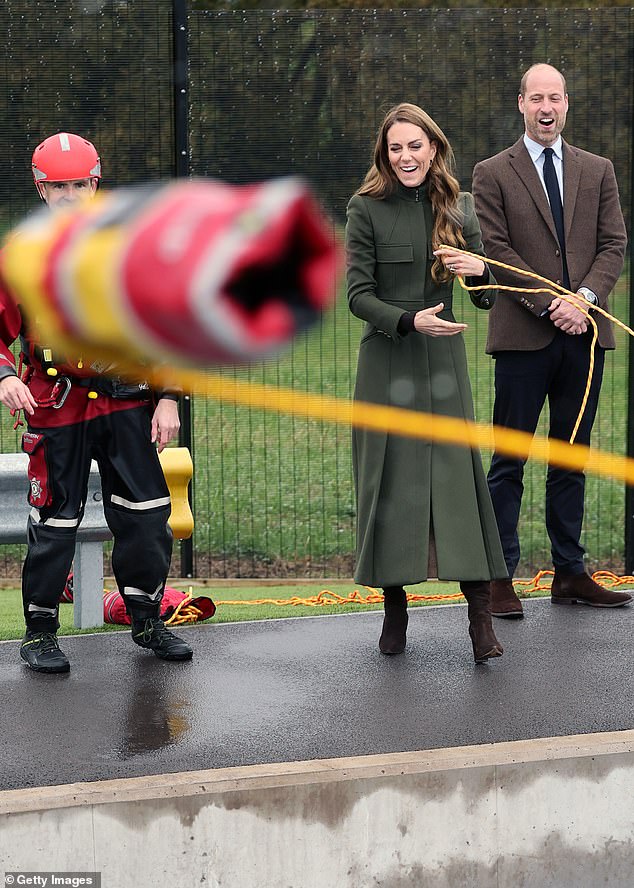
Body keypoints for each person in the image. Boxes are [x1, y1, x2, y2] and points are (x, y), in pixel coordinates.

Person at [0, 132, 194, 672]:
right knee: (55, 522)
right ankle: (39, 633)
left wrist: (169, 398)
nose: (69, 194)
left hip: (129, 405)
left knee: (146, 516)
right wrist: (3, 378)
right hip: (55, 405)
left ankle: (148, 619)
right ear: (40, 188)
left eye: (78, 184)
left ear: (96, 181)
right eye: (57, 185)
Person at [345, 102, 507, 664]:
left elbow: (487, 298)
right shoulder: (365, 209)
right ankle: (394, 609)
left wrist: (479, 271)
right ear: (384, 155)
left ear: (433, 148)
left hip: (443, 366)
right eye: (396, 148)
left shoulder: (459, 207)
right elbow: (357, 296)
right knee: (389, 484)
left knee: (458, 482)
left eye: (415, 146)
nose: (406, 156)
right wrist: (409, 320)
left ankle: (480, 618)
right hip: (386, 364)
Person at [472, 64, 631, 617]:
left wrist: (582, 300)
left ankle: (569, 573)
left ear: (567, 104)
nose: (546, 107)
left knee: (571, 459)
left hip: (584, 337)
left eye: (555, 98)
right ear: (520, 103)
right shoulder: (492, 173)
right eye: (536, 97)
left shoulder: (599, 169)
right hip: (522, 339)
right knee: (508, 462)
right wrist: (550, 305)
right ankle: (499, 579)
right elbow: (496, 251)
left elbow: (614, 244)